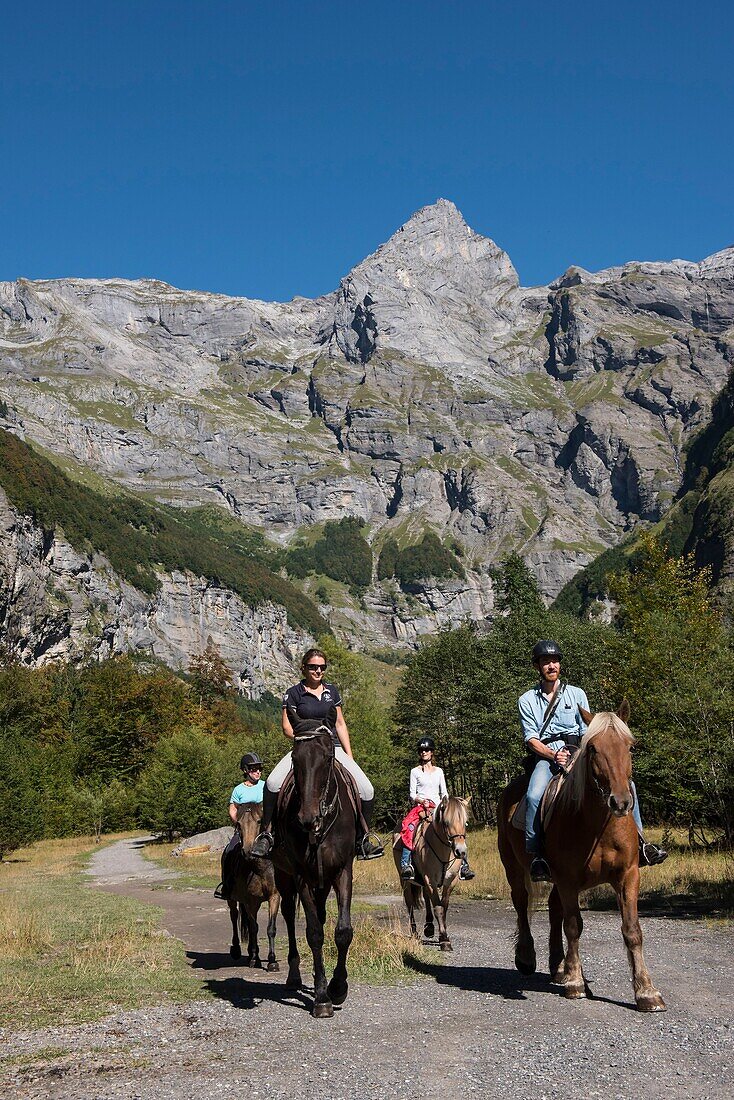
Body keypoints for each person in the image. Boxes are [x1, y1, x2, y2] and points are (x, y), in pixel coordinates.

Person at [520, 639, 668, 882]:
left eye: (555, 661)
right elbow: (531, 739)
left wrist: (579, 755)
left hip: (578, 752)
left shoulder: (576, 693)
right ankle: (537, 854)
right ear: (537, 666)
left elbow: (588, 730)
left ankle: (641, 844)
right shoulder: (527, 699)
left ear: (560, 665)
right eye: (546, 662)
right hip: (547, 756)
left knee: (627, 785)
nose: (551, 665)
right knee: (535, 794)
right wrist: (553, 754)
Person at [250, 648, 384, 860]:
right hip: (304, 748)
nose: (318, 671)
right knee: (273, 783)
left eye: (322, 667)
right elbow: (286, 727)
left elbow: (340, 724)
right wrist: (307, 739)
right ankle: (267, 834)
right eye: (313, 667)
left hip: (332, 747)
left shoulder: (332, 691)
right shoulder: (293, 693)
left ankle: (363, 839)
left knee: (367, 789)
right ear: (304, 668)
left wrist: (349, 755)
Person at [399, 736, 475, 882]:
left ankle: (464, 866)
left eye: (427, 749)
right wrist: (422, 801)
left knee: (458, 828)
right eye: (421, 750)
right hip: (421, 806)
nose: (424, 752)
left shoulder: (439, 771)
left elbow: (444, 792)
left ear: (432, 752)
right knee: (409, 828)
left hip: (439, 806)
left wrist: (446, 805)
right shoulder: (415, 771)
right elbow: (412, 794)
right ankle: (406, 865)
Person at [214, 752, 266, 900]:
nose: (258, 771)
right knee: (229, 851)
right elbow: (233, 808)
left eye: (259, 768)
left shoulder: (265, 786)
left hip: (263, 830)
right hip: (245, 829)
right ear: (245, 771)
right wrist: (239, 823)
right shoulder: (239, 790)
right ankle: (227, 885)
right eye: (253, 769)